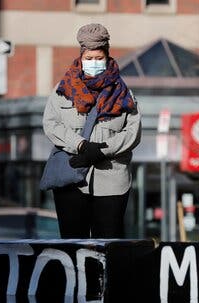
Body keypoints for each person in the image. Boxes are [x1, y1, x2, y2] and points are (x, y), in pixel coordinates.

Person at [42, 23, 141, 239]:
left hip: (112, 179)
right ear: (80, 58)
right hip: (72, 177)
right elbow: (51, 124)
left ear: (107, 57)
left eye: (98, 58)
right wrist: (81, 145)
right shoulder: (62, 90)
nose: (93, 63)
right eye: (89, 58)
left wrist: (103, 150)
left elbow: (133, 131)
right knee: (72, 242)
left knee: (108, 243)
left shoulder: (124, 93)